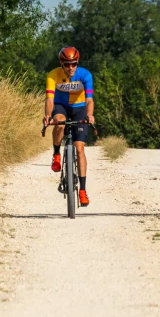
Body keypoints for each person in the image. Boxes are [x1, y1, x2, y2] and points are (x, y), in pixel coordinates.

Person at [43, 47, 95, 207]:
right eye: (66, 65)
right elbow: (50, 99)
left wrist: (90, 115)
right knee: (58, 121)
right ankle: (57, 154)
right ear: (61, 64)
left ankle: (83, 190)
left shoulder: (85, 75)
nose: (70, 68)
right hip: (61, 106)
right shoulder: (53, 75)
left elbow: (89, 100)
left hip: (79, 108)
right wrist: (47, 115)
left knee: (80, 149)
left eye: (73, 64)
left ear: (77, 62)